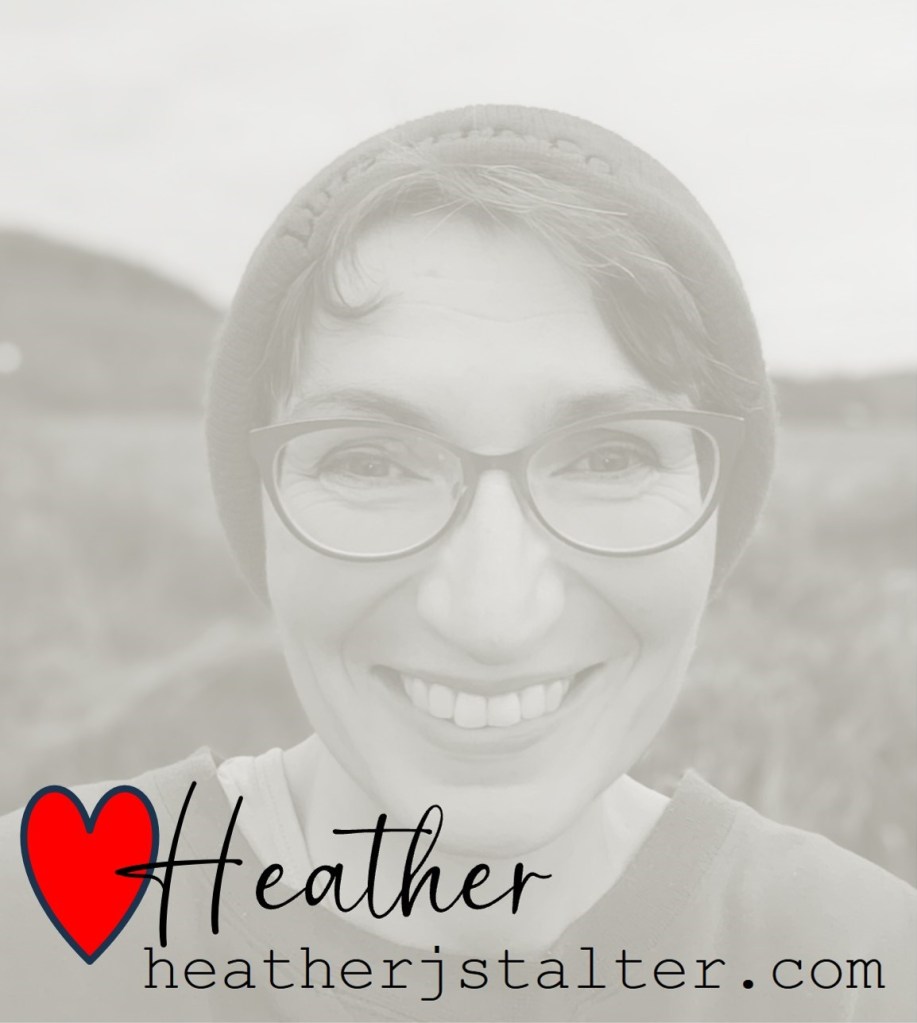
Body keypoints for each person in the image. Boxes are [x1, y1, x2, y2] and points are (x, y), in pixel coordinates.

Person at [2, 104, 915, 1022]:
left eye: (610, 457)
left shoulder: (863, 967)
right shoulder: (31, 935)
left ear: (716, 518)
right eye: (369, 462)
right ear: (262, 514)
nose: (491, 615)